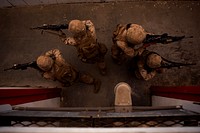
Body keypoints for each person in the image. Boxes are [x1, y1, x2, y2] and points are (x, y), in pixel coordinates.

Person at [36, 49, 101, 93]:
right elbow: (56, 51)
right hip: (73, 72)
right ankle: (94, 81)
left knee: (80, 78)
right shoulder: (59, 59)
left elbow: (45, 76)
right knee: (82, 77)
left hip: (67, 80)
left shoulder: (49, 74)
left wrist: (40, 70)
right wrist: (47, 55)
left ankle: (95, 81)